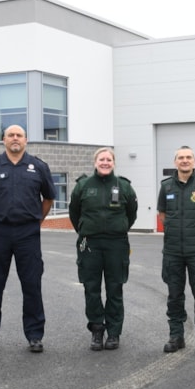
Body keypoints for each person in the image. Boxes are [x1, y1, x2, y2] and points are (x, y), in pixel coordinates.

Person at [0, 125, 56, 353]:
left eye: (19, 135)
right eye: (11, 135)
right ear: (4, 140)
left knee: (31, 284)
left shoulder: (38, 167)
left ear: (26, 140)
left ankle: (35, 335)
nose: (15, 138)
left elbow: (48, 198)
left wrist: (36, 219)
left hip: (28, 234)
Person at [68, 148, 138, 351]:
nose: (105, 162)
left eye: (109, 159)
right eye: (102, 159)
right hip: (90, 244)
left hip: (117, 244)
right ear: (95, 162)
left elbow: (131, 215)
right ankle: (97, 329)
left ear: (114, 162)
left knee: (115, 288)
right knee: (91, 289)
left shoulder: (124, 186)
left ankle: (114, 333)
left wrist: (119, 228)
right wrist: (85, 230)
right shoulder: (83, 185)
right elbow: (75, 214)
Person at [157, 146, 195, 356]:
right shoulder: (166, 187)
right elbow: (163, 214)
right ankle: (176, 336)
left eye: (188, 157)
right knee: (174, 295)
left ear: (194, 161)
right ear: (175, 162)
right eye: (181, 158)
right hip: (173, 251)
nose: (185, 161)